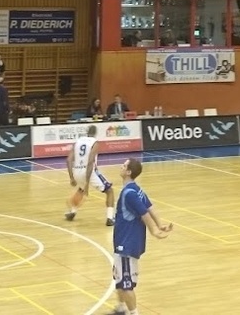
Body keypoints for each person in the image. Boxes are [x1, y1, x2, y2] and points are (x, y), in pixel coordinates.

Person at [110, 158, 173, 315]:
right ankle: (120, 308)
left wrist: (154, 231)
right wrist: (160, 224)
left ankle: (133, 312)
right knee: (119, 277)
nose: (121, 167)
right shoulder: (136, 189)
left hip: (126, 244)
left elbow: (144, 213)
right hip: (128, 242)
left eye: (124, 166)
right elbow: (150, 206)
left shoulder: (129, 193)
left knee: (126, 284)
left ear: (129, 172)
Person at [65, 125, 115, 226]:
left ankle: (72, 212)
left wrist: (71, 177)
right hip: (89, 171)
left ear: (87, 132)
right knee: (109, 191)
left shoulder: (77, 141)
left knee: (80, 189)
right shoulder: (94, 143)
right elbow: (91, 161)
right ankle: (110, 218)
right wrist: (87, 182)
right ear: (95, 133)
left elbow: (69, 160)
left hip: (77, 171)